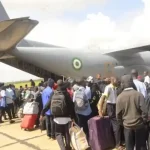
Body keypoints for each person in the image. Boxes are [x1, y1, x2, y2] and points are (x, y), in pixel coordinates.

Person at [116, 75, 147, 150]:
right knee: (141, 146)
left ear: (122, 84)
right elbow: (145, 111)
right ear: (131, 83)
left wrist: (122, 123)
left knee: (129, 147)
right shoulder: (139, 95)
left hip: (127, 126)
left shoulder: (120, 97)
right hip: (139, 125)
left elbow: (118, 115)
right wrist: (143, 120)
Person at [99, 77, 121, 149]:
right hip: (111, 106)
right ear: (112, 81)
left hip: (115, 106)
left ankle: (115, 142)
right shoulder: (108, 88)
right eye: (116, 80)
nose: (117, 81)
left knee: (115, 125)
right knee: (116, 126)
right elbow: (102, 99)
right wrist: (100, 111)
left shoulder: (116, 87)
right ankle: (117, 144)